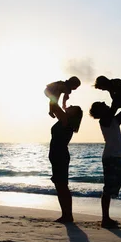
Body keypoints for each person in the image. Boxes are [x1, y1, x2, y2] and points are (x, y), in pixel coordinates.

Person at [89, 99, 121, 228]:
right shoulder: (104, 121)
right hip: (111, 157)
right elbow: (114, 108)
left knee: (114, 186)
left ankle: (106, 218)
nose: (104, 103)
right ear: (100, 111)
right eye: (102, 105)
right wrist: (116, 98)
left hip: (116, 156)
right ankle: (105, 219)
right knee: (108, 188)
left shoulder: (113, 120)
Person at [49, 93, 83, 223]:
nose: (70, 106)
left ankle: (67, 215)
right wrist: (64, 100)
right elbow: (59, 107)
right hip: (58, 155)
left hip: (60, 155)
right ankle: (66, 214)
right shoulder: (66, 119)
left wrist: (54, 93)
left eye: (72, 107)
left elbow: (54, 105)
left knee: (62, 185)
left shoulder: (65, 120)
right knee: (60, 185)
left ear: (72, 114)